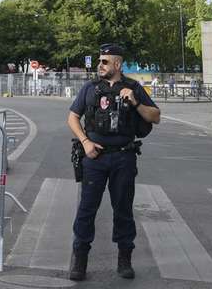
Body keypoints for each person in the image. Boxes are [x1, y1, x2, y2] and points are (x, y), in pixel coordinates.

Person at [67, 43, 161, 281]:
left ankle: (124, 259)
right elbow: (72, 117)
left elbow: (156, 116)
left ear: (117, 64)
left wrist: (136, 103)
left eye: (105, 62)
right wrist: (85, 142)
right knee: (87, 209)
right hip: (95, 157)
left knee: (123, 209)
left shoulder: (133, 87)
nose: (100, 65)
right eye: (99, 61)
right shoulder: (90, 88)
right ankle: (79, 259)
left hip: (123, 157)